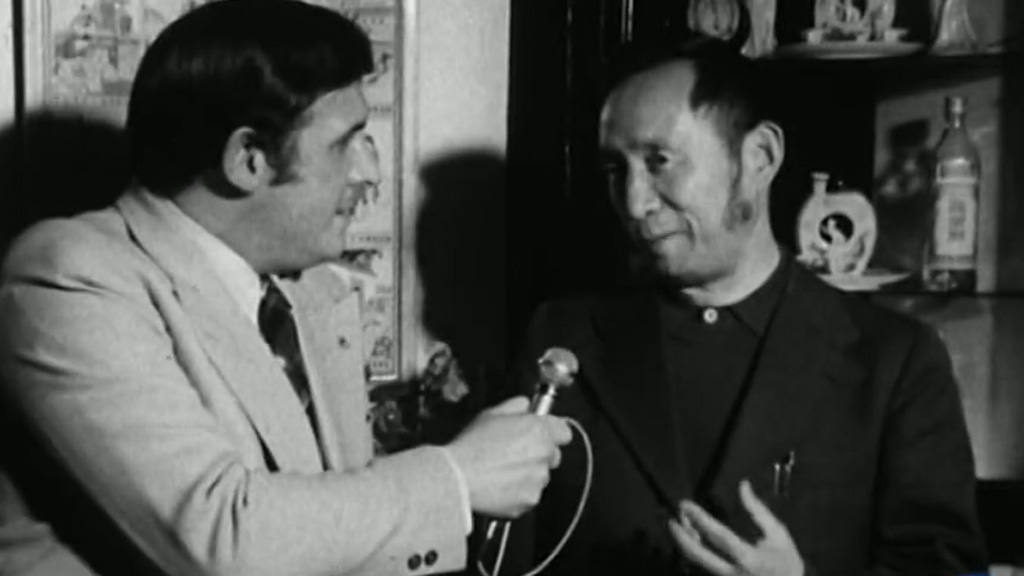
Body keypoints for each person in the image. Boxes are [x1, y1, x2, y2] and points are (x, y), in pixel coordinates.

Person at [0, 1, 570, 575]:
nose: (370, 172)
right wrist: (458, 477)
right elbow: (222, 538)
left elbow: (335, 539)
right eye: (346, 143)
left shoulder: (311, 291)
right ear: (249, 159)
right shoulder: (68, 278)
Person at [506, 37, 988, 576]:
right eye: (617, 169)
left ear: (759, 157)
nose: (636, 202)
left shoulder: (896, 362)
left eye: (659, 162)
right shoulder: (562, 342)